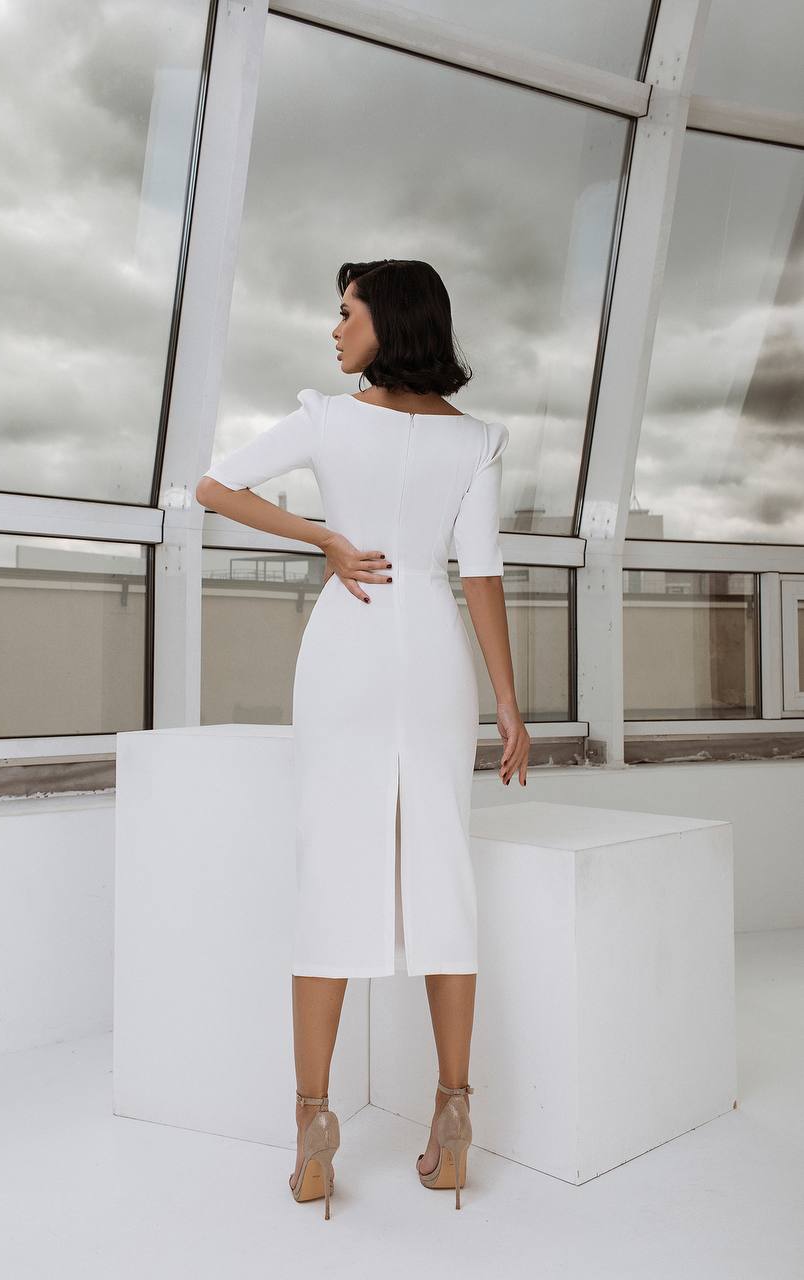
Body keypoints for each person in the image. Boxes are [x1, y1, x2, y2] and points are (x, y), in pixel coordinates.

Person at [196, 259, 530, 1219]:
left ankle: (311, 1135)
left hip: (349, 641)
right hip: (433, 656)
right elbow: (482, 577)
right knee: (443, 874)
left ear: (387, 319)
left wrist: (326, 540)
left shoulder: (329, 419)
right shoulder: (476, 440)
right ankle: (455, 1119)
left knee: (331, 872)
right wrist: (508, 702)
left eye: (345, 313)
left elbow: (213, 486)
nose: (333, 330)